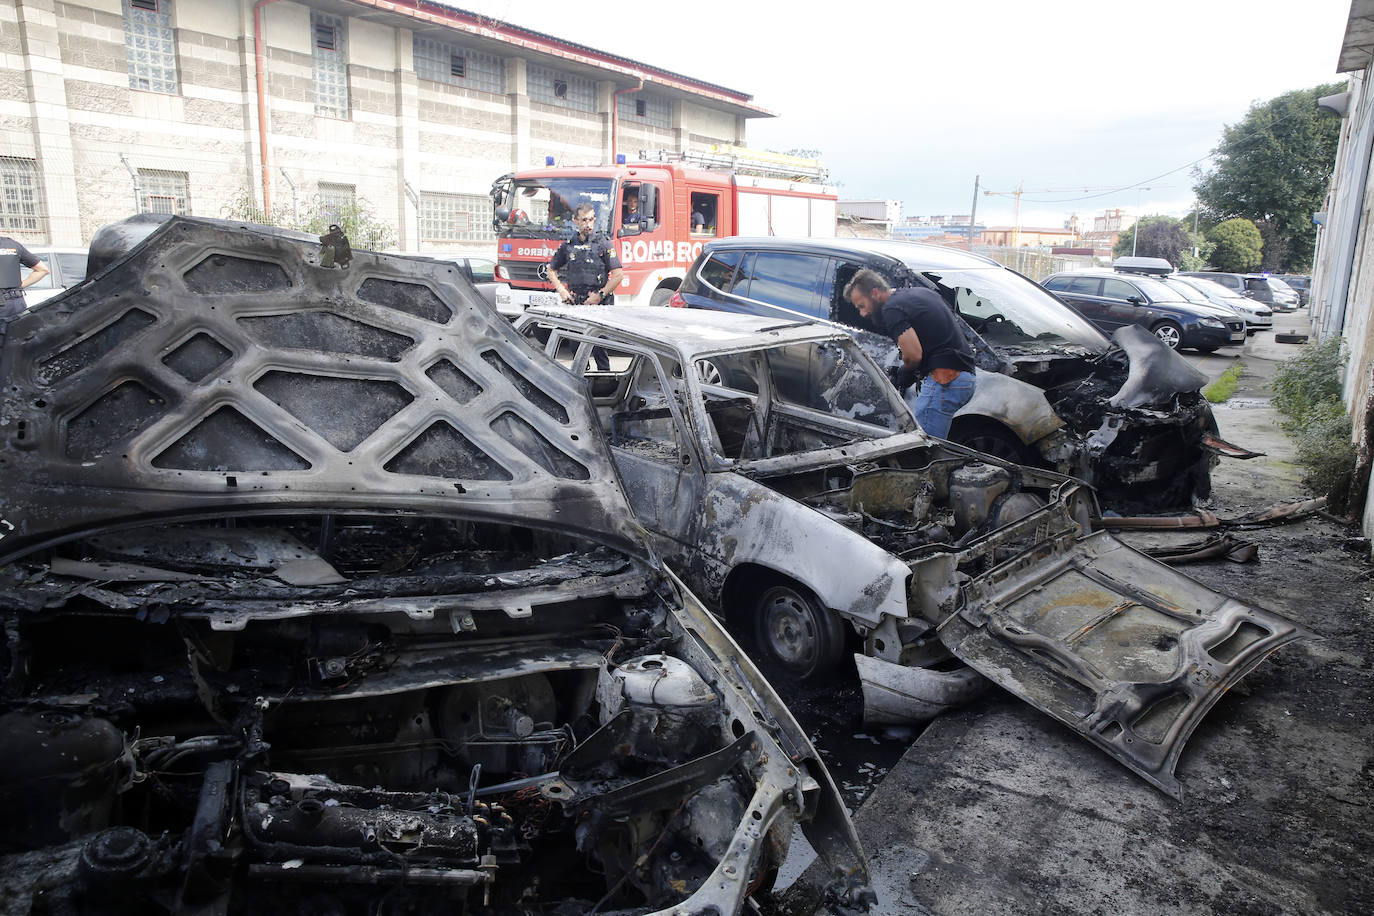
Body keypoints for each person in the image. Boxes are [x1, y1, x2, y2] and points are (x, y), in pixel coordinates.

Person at [843, 268, 976, 438]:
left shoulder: (892, 310)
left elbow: (913, 355)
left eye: (862, 306)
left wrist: (905, 373)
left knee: (924, 448)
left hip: (945, 381)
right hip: (965, 377)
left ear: (874, 293)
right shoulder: (919, 294)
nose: (862, 313)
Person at [547, 202, 622, 370]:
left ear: (594, 220)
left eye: (590, 220)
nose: (588, 224)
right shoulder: (569, 245)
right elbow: (551, 269)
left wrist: (600, 295)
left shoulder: (603, 243)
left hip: (598, 305)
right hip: (576, 305)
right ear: (576, 221)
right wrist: (562, 291)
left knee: (599, 349)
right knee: (577, 350)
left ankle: (606, 385)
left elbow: (618, 275)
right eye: (583, 220)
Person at [0, 237, 48, 320]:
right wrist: (19, 286)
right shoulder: (13, 245)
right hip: (17, 303)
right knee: (20, 331)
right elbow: (43, 270)